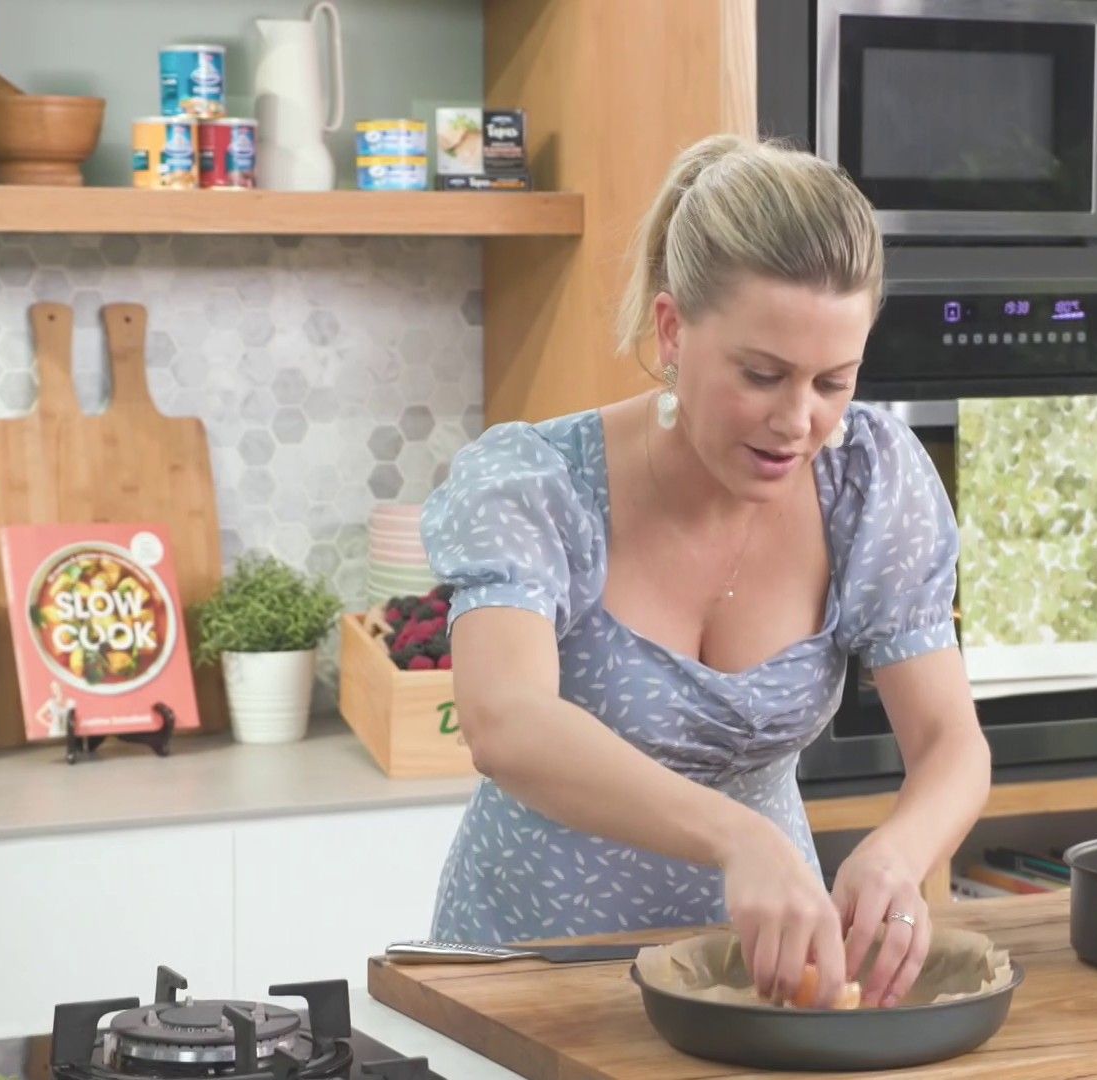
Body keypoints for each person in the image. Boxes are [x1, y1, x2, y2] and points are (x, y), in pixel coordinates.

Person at [420, 134, 990, 1010]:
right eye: (762, 375)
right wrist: (739, 838)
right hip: (529, 976)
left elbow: (953, 743)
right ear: (673, 330)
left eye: (833, 382)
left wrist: (897, 855)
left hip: (755, 989)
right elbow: (505, 722)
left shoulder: (869, 482)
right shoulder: (539, 483)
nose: (797, 421)